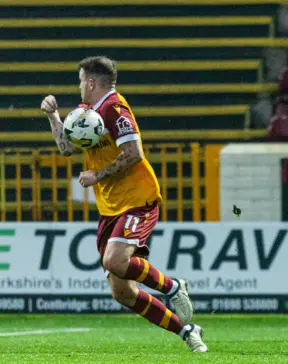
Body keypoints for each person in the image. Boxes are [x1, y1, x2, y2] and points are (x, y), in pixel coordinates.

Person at [40, 56, 207, 352]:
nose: (79, 86)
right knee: (123, 292)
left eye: (81, 81)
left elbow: (134, 153)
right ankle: (187, 332)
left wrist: (97, 175)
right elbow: (66, 149)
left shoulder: (114, 109)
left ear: (91, 82)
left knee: (115, 261)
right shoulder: (88, 113)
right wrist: (53, 117)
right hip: (110, 208)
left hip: (138, 199)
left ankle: (173, 287)